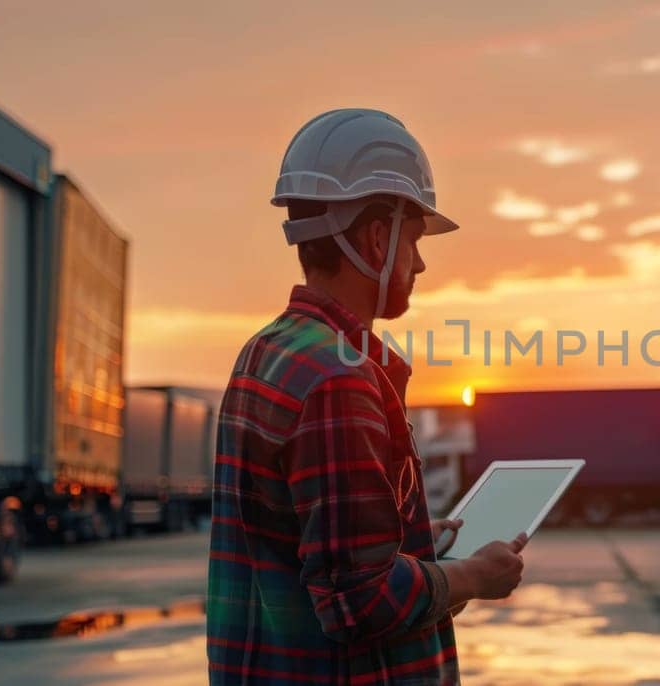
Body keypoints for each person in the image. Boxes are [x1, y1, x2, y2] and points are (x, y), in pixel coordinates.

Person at [207, 109, 526, 685]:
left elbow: (310, 553)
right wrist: (476, 576)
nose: (421, 262)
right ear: (378, 238)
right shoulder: (338, 379)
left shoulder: (266, 352)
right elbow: (360, 599)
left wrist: (426, 547)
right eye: (415, 239)